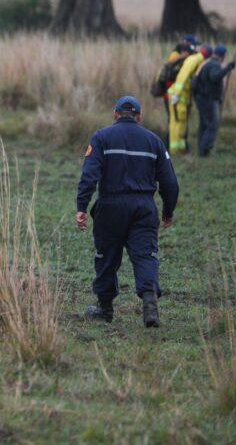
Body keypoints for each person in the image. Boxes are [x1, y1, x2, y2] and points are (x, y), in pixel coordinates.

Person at [76, 96, 179, 328]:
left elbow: (89, 175)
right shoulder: (154, 141)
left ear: (115, 114)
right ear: (139, 117)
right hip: (144, 208)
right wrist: (168, 211)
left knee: (107, 258)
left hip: (110, 207)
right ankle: (150, 306)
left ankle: (104, 308)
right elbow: (170, 182)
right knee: (145, 256)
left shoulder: (101, 137)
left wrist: (82, 207)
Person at [194, 44, 236, 157]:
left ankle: (201, 150)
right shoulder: (214, 65)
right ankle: (205, 150)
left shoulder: (207, 63)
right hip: (209, 100)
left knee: (204, 125)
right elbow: (215, 77)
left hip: (202, 99)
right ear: (222, 56)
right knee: (212, 125)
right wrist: (228, 68)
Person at [166, 38, 206, 155]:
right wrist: (177, 95)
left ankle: (179, 147)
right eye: (194, 45)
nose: (196, 48)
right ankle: (174, 148)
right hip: (175, 95)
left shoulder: (186, 58)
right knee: (176, 122)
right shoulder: (179, 58)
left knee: (177, 121)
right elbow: (181, 78)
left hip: (176, 95)